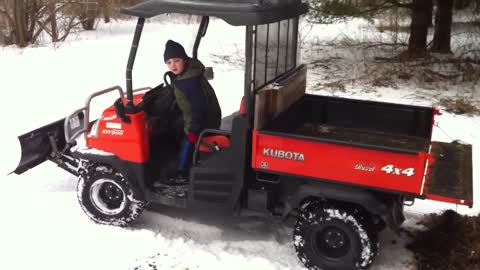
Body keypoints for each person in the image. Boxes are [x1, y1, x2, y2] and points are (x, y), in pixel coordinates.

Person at [162, 40, 222, 183]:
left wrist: (194, 130)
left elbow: (198, 106)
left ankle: (182, 173)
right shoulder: (189, 73)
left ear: (185, 60)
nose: (173, 65)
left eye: (177, 60)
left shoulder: (188, 81)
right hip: (205, 116)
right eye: (169, 62)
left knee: (187, 142)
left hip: (201, 121)